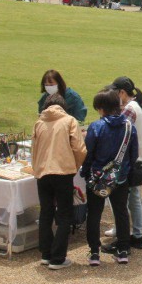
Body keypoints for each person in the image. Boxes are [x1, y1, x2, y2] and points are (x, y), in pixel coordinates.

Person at [82, 88, 138, 266]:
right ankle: (122, 250)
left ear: (100, 108)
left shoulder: (96, 127)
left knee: (94, 214)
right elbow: (134, 153)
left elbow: (88, 154)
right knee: (121, 212)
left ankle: (94, 252)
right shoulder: (129, 127)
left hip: (98, 178)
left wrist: (86, 172)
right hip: (120, 177)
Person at [32, 94, 87, 269]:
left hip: (42, 172)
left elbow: (34, 149)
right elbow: (79, 148)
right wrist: (74, 166)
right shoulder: (70, 121)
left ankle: (46, 254)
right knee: (64, 215)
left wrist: (37, 168)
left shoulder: (39, 122)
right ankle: (58, 257)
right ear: (63, 106)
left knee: (46, 213)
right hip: (63, 172)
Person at [101, 77, 142, 252]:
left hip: (128, 161)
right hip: (138, 158)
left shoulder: (130, 108)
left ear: (122, 92)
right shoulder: (140, 106)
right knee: (134, 199)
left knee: (122, 202)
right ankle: (137, 235)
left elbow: (117, 130)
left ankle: (124, 236)